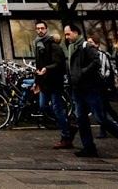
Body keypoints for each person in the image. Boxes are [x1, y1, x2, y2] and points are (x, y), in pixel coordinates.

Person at [63, 22, 118, 158]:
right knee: (81, 119)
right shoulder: (71, 48)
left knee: (100, 118)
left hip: (90, 89)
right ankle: (89, 147)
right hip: (77, 89)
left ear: (76, 32)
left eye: (68, 34)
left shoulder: (85, 46)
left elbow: (96, 61)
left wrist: (82, 73)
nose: (66, 37)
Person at [33, 21, 73, 149]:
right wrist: (36, 82)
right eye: (38, 29)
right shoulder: (38, 44)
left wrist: (47, 69)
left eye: (42, 28)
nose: (40, 30)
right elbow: (38, 65)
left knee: (57, 108)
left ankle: (66, 136)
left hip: (54, 82)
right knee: (43, 106)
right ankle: (67, 126)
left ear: (46, 29)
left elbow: (59, 63)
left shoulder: (54, 45)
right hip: (44, 83)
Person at [86, 35, 118, 139]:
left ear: (97, 44)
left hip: (101, 86)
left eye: (91, 42)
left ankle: (111, 129)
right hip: (96, 86)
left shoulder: (100, 55)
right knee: (105, 108)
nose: (89, 45)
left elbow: (104, 71)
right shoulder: (89, 55)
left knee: (104, 108)